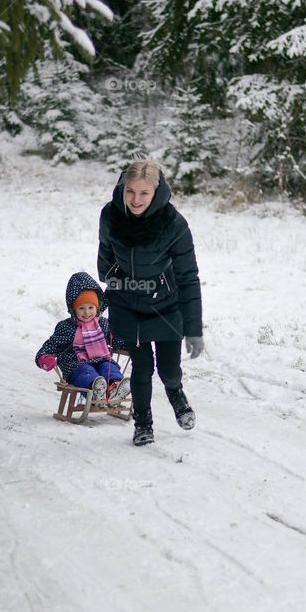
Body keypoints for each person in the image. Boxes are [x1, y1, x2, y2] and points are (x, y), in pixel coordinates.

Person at [98, 160, 204, 446]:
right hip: (127, 305)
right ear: (122, 188)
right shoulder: (110, 215)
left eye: (143, 193)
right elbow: (104, 263)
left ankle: (176, 394)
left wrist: (194, 328)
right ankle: (143, 423)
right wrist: (122, 282)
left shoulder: (174, 224)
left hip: (166, 306)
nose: (135, 199)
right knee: (142, 369)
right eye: (130, 191)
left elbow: (188, 277)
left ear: (157, 192)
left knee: (169, 370)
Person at [36, 272, 130, 402]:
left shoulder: (103, 323)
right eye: (81, 308)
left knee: (109, 368)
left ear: (97, 307)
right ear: (74, 309)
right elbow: (52, 345)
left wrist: (132, 346)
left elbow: (116, 340)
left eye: (91, 307)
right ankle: (96, 390)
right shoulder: (67, 327)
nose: (87, 312)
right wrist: (44, 357)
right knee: (87, 372)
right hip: (76, 364)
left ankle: (114, 388)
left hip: (101, 359)